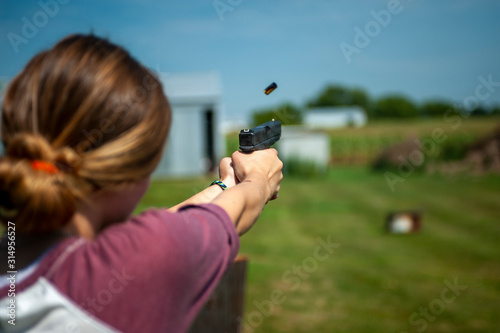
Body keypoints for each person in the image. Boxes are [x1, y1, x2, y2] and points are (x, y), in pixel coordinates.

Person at [0, 34, 283, 333]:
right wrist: (259, 180)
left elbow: (173, 228)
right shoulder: (138, 261)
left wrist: (227, 184)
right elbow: (200, 229)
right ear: (132, 169)